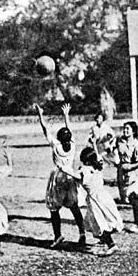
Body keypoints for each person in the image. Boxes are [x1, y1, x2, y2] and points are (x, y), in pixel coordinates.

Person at [35, 103, 86, 248]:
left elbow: (45, 130)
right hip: (70, 177)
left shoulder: (56, 146)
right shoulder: (73, 145)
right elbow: (70, 130)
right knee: (74, 207)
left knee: (54, 208)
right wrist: (66, 116)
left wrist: (40, 114)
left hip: (58, 178)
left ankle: (57, 236)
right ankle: (82, 233)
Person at [61, 147, 124, 256]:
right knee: (105, 220)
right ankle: (105, 241)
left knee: (98, 223)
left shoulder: (85, 170)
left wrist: (63, 168)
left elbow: (76, 175)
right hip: (104, 196)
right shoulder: (98, 167)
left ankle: (111, 245)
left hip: (95, 199)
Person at [114, 121, 138, 233]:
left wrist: (130, 166)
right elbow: (115, 150)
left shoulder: (137, 145)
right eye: (124, 129)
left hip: (135, 174)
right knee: (126, 198)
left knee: (134, 197)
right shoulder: (120, 141)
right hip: (122, 173)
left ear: (133, 131)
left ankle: (137, 224)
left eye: (128, 129)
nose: (125, 131)